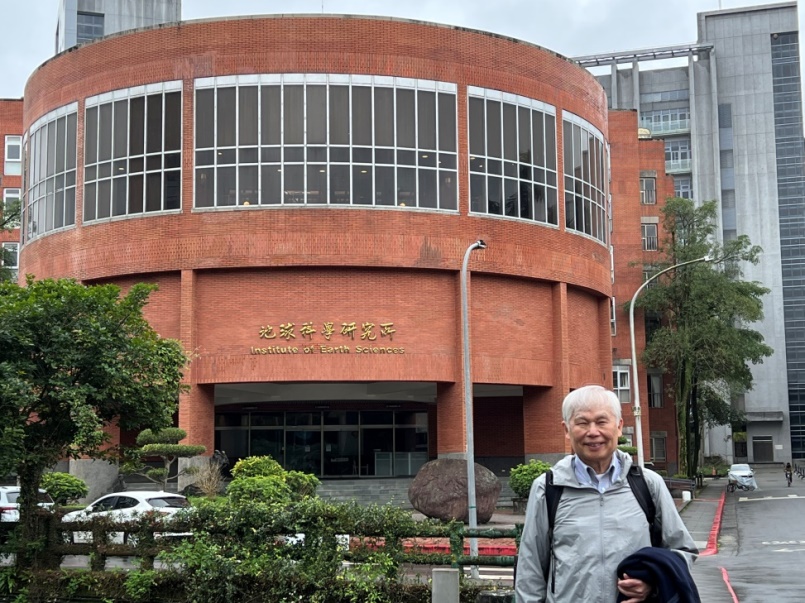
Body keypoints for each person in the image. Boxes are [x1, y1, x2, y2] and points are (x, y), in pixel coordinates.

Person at [515, 385, 698, 602]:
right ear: (566, 429)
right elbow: (530, 569)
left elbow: (682, 549)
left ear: (619, 426)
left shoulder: (647, 484)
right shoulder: (548, 488)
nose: (593, 432)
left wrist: (653, 583)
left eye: (602, 422)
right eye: (582, 423)